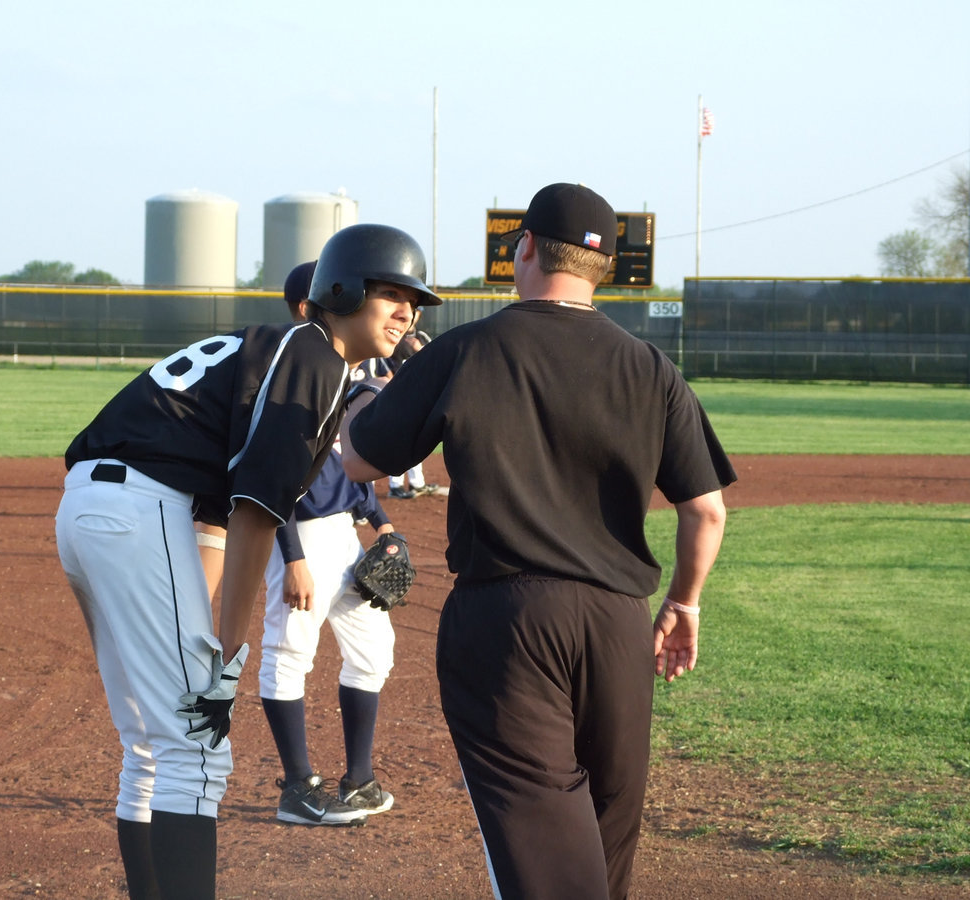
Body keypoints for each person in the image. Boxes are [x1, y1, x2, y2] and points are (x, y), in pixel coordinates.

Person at [338, 183, 736, 900]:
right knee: (602, 859)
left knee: (547, 870)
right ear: (605, 267)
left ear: (522, 248)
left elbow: (360, 459)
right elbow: (705, 511)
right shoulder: (652, 368)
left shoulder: (469, 348)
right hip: (617, 626)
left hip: (507, 621)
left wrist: (369, 392)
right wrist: (685, 604)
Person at [54, 223, 439, 899]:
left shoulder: (289, 349)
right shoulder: (315, 359)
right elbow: (255, 509)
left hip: (100, 508)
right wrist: (226, 658)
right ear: (343, 289)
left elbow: (216, 516)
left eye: (414, 300)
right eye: (391, 294)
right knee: (194, 748)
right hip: (138, 509)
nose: (407, 312)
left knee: (154, 741)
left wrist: (211, 649)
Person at [197, 260, 407, 827]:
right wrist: (291, 561)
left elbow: (345, 472)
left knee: (373, 650)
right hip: (300, 539)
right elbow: (269, 484)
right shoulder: (295, 369)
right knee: (290, 652)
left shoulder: (340, 376)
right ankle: (296, 787)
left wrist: (381, 523)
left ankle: (359, 781)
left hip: (344, 533)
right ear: (307, 307)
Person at [356, 322, 441, 500]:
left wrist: (419, 349)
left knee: (414, 441)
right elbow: (387, 374)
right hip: (393, 398)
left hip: (415, 397)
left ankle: (417, 483)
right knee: (394, 442)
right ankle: (389, 488)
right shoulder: (387, 340)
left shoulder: (422, 337)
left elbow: (433, 361)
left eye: (415, 310)